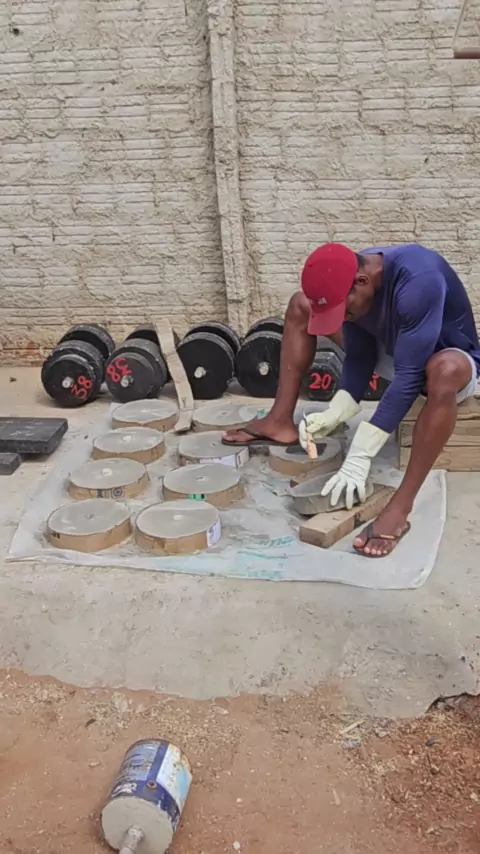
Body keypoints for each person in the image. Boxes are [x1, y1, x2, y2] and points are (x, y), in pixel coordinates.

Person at [223, 243, 480, 558]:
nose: (343, 317)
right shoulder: (351, 277)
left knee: (444, 370)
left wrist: (362, 452)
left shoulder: (419, 281)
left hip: (443, 362)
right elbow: (360, 355)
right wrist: (338, 408)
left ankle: (401, 507)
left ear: (363, 282)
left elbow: (410, 376)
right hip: (396, 352)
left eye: (345, 312)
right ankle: (279, 421)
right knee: (300, 304)